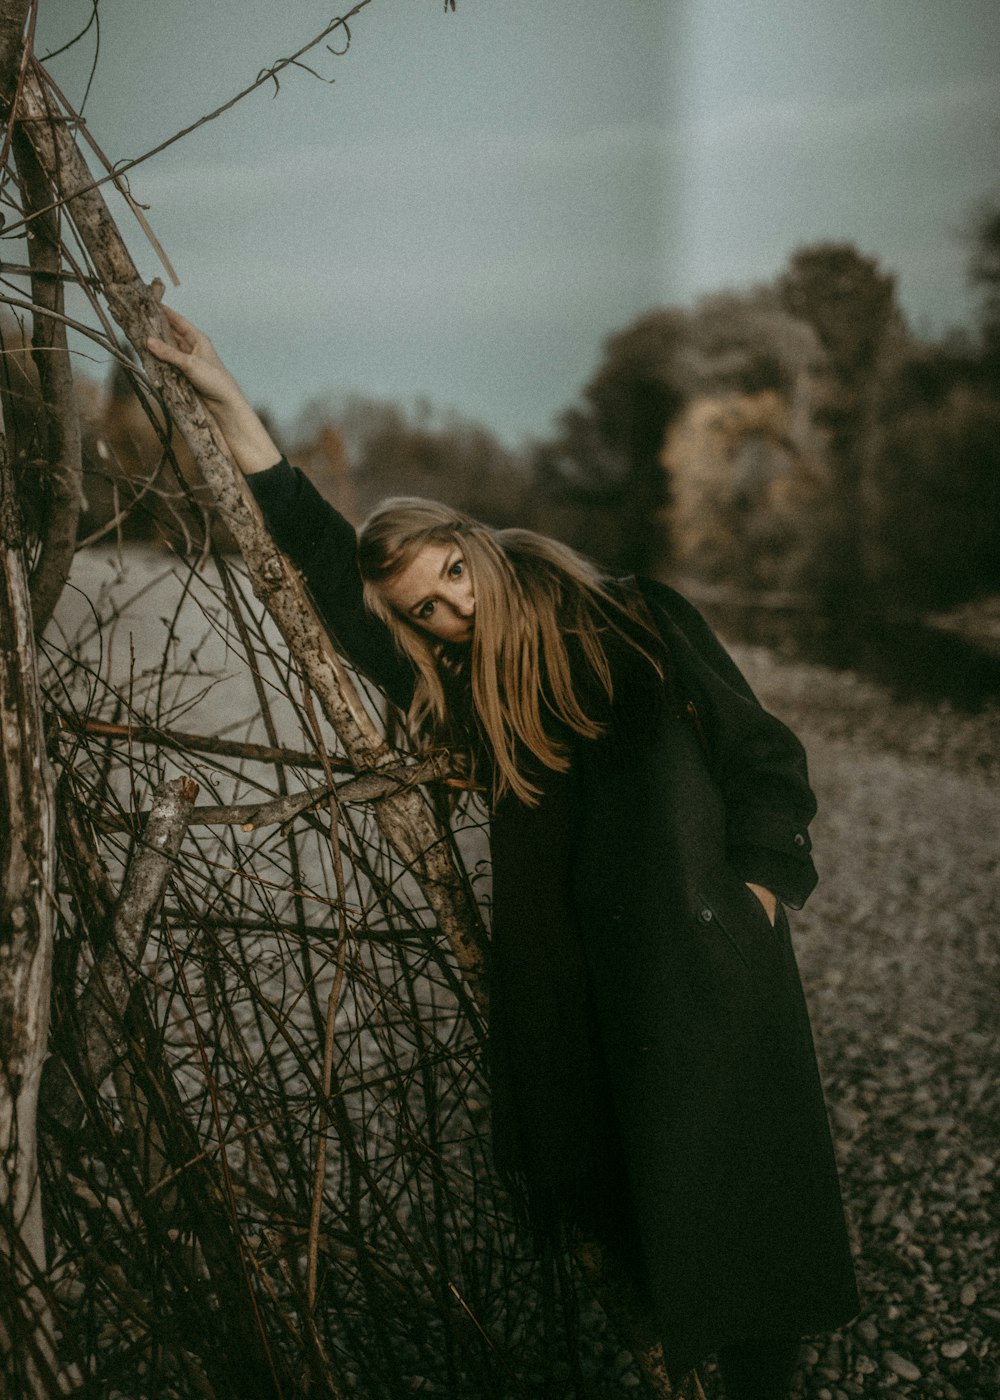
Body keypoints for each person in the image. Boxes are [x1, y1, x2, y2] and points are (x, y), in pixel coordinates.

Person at [148, 308, 859, 1399]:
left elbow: (764, 756)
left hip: (711, 971)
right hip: (586, 1002)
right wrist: (225, 398)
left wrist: (757, 891)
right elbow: (331, 567)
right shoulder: (478, 697)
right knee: (645, 1236)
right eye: (427, 611)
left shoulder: (637, 619)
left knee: (752, 1245)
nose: (450, 611)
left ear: (471, 540)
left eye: (450, 576)